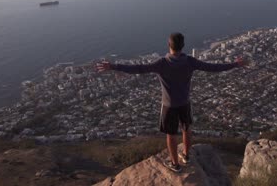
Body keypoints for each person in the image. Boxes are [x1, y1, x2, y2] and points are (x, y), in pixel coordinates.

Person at [96, 32, 247, 173]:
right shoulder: (190, 61)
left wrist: (114, 66)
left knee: (171, 135)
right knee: (186, 129)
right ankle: (186, 155)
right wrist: (235, 64)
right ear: (183, 46)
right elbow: (213, 67)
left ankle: (175, 164)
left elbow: (139, 68)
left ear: (169, 45)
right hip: (185, 103)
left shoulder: (162, 63)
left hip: (169, 105)